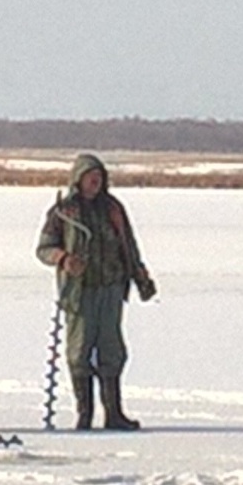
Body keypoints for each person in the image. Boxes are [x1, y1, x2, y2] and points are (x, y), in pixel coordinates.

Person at [36, 153, 158, 430]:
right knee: (79, 352)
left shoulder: (113, 209)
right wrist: (63, 259)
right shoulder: (63, 212)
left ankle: (114, 414)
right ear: (78, 179)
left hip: (111, 289)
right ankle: (84, 414)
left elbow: (129, 245)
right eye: (90, 177)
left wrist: (141, 278)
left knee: (112, 351)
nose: (95, 182)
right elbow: (43, 249)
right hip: (80, 293)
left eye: (99, 177)